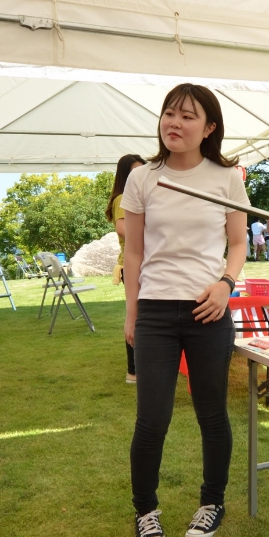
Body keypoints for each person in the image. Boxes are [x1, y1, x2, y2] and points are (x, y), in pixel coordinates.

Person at [121, 83, 248, 537]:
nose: (174, 123)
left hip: (209, 311)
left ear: (209, 128)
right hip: (155, 311)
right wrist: (131, 313)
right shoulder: (143, 178)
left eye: (188, 116)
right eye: (169, 114)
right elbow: (133, 252)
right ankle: (146, 510)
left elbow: (238, 243)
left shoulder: (226, 177)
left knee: (212, 414)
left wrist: (226, 284)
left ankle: (212, 502)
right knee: (151, 419)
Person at [107, 153, 146, 384]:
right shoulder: (123, 197)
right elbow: (123, 229)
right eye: (135, 171)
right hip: (132, 265)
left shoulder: (137, 196)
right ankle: (133, 371)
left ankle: (138, 368)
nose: (140, 176)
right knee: (137, 317)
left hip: (139, 264)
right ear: (125, 175)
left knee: (142, 316)